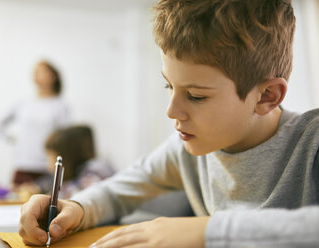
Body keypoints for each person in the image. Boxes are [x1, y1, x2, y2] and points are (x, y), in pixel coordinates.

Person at [19, 1, 319, 247]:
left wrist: (205, 231)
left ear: (267, 95)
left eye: (196, 96)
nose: (171, 110)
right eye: (169, 87)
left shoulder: (312, 143)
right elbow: (116, 192)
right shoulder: (184, 150)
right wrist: (78, 208)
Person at [0, 60, 70, 187]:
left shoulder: (60, 106)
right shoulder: (23, 103)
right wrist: (14, 139)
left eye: (42, 71)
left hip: (46, 168)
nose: (37, 75)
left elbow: (64, 139)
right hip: (22, 165)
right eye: (35, 72)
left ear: (53, 76)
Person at [16, 125, 115, 200]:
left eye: (50, 157)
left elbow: (76, 197)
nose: (47, 163)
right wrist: (37, 188)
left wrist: (42, 196)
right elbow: (51, 182)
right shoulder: (76, 173)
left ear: (66, 158)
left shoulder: (95, 170)